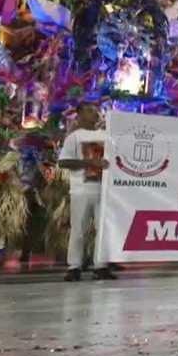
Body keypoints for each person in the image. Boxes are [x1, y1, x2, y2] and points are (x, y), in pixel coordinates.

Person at [58, 102, 115, 281]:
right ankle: (74, 266)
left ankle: (101, 266)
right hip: (81, 190)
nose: (95, 113)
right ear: (80, 114)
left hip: (103, 190)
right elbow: (64, 162)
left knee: (103, 229)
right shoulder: (74, 138)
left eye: (96, 111)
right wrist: (90, 163)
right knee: (78, 229)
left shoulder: (107, 136)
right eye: (90, 111)